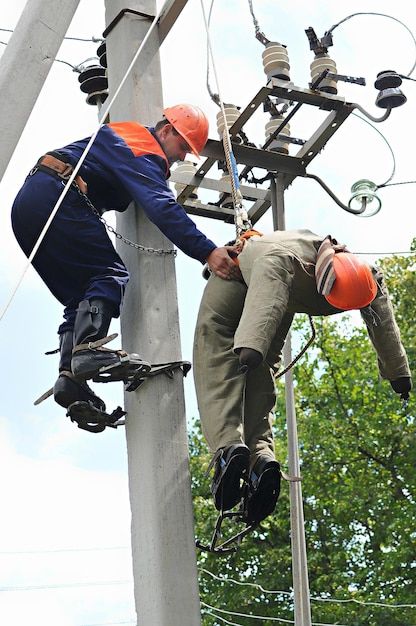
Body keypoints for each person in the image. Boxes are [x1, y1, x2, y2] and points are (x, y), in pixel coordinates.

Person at [11, 104, 238, 412]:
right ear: (167, 130)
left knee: (80, 299)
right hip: (58, 195)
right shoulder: (142, 147)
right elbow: (162, 207)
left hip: (30, 203)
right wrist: (207, 251)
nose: (183, 156)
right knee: (108, 274)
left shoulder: (126, 141)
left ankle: (70, 378)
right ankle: (88, 351)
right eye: (183, 146)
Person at [193, 229, 412, 525]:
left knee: (215, 352)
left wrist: (398, 371)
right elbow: (266, 296)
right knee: (259, 369)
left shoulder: (364, 276)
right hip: (257, 275)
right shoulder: (288, 260)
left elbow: (381, 318)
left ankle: (228, 447)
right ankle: (260, 459)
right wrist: (252, 346)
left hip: (272, 286)